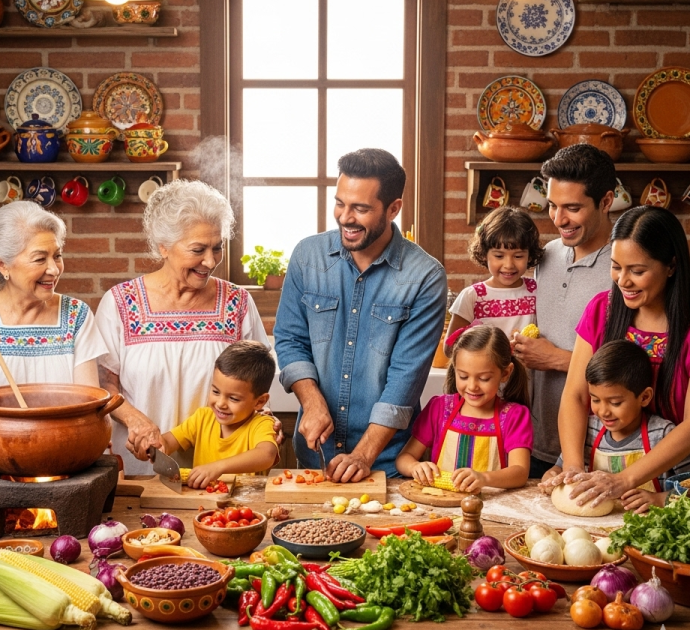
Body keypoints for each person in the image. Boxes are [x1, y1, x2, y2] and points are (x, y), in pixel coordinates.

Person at [274, 148, 447, 481]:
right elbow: (290, 339)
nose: (345, 217)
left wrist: (364, 455)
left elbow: (405, 380)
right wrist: (311, 401)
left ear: (394, 208)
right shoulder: (307, 256)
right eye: (340, 203)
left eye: (361, 208)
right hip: (315, 453)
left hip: (386, 462)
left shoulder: (425, 276)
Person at [95, 179, 272, 476]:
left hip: (223, 477)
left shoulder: (237, 303)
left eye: (217, 248)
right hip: (142, 470)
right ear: (163, 247)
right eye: (197, 249)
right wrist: (136, 420)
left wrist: (266, 423)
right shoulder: (120, 303)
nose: (210, 260)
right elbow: (102, 385)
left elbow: (258, 383)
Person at [545, 206, 690, 508]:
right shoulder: (600, 311)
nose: (623, 281)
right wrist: (573, 468)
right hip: (611, 481)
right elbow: (576, 396)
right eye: (616, 266)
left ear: (671, 266)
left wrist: (624, 480)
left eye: (638, 271)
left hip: (681, 490)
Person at [0, 201, 106, 464]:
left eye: (57, 255)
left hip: (57, 462)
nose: (54, 269)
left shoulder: (76, 315)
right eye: (40, 258)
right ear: (3, 265)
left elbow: (88, 405)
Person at [511, 144, 616, 478]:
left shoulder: (627, 266)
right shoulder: (548, 255)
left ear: (606, 201)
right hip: (540, 439)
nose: (558, 219)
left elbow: (639, 364)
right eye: (553, 206)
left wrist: (556, 358)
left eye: (572, 208)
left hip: (601, 446)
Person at [551, 340, 690, 512]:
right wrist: (554, 476)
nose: (603, 411)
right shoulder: (589, 430)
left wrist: (660, 499)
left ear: (645, 397)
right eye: (595, 400)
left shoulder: (662, 435)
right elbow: (561, 466)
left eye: (615, 403)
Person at [397, 326, 532, 492]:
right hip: (441, 506)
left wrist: (484, 478)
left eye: (484, 378)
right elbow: (404, 458)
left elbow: (520, 472)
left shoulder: (514, 416)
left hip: (490, 508)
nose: (472, 386)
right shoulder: (439, 408)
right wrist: (414, 467)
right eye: (463, 376)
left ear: (505, 373)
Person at [152, 341, 279, 488]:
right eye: (215, 392)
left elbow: (267, 454)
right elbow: (168, 441)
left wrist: (218, 467)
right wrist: (156, 447)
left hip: (245, 506)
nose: (220, 403)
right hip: (203, 501)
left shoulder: (261, 424)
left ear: (259, 401)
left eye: (233, 398)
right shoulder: (202, 418)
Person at [443, 206, 544, 352]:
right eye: (499, 256)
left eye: (518, 256)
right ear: (484, 253)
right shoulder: (473, 297)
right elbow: (449, 348)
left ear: (530, 255)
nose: (509, 265)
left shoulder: (536, 291)